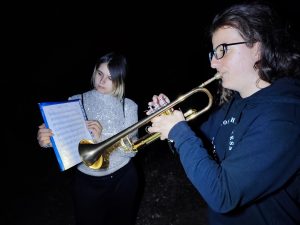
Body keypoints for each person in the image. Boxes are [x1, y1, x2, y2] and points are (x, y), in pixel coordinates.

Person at [146, 2, 300, 225]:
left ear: (257, 47)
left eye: (223, 50)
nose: (212, 62)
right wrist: (169, 123)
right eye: (213, 52)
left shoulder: (284, 118)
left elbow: (222, 194)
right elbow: (197, 150)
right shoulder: (231, 106)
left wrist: (178, 132)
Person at [37, 52, 140, 225]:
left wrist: (103, 138)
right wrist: (46, 141)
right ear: (94, 72)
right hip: (87, 183)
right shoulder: (75, 101)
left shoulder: (128, 106)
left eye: (110, 77)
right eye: (100, 74)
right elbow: (64, 140)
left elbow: (131, 151)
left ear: (119, 80)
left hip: (123, 179)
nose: (102, 81)